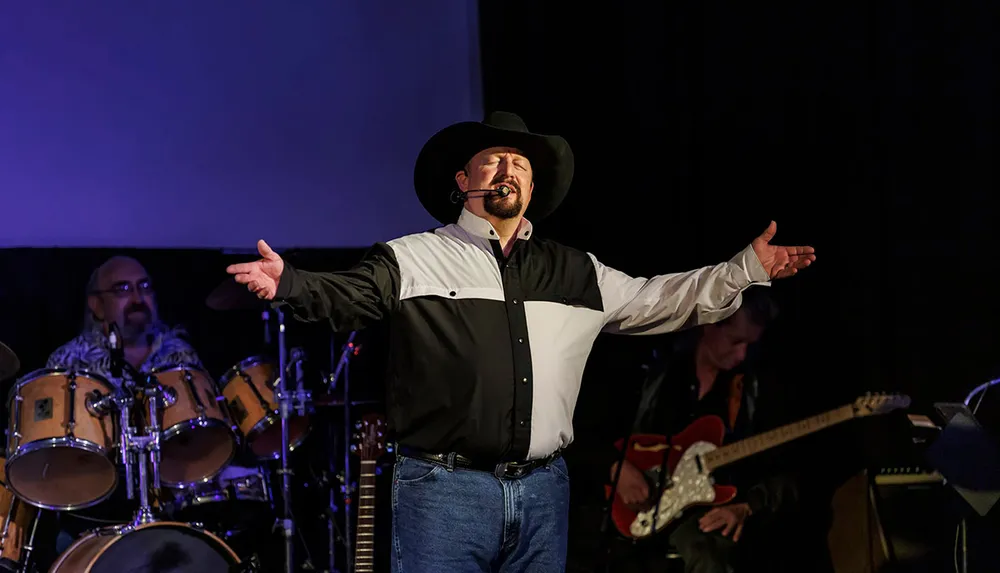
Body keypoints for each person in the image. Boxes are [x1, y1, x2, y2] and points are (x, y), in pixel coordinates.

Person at [225, 111, 816, 572]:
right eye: (492, 161)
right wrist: (290, 283)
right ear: (463, 181)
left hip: (542, 491)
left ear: (533, 187)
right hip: (442, 492)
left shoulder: (575, 271)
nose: (508, 170)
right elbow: (348, 295)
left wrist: (743, 270)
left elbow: (662, 299)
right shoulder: (414, 257)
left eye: (520, 163)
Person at [44, 256, 263, 562]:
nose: (137, 298)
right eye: (122, 289)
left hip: (175, 500)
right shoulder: (68, 363)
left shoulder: (180, 354)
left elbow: (206, 432)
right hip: (96, 507)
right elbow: (57, 458)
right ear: (96, 304)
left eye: (144, 287)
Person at [607, 286, 800, 572]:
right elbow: (589, 435)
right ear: (709, 325)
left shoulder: (754, 393)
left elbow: (790, 474)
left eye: (750, 344)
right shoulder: (656, 374)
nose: (742, 354)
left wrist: (747, 506)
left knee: (709, 555)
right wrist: (616, 468)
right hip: (629, 510)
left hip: (705, 515)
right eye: (736, 341)